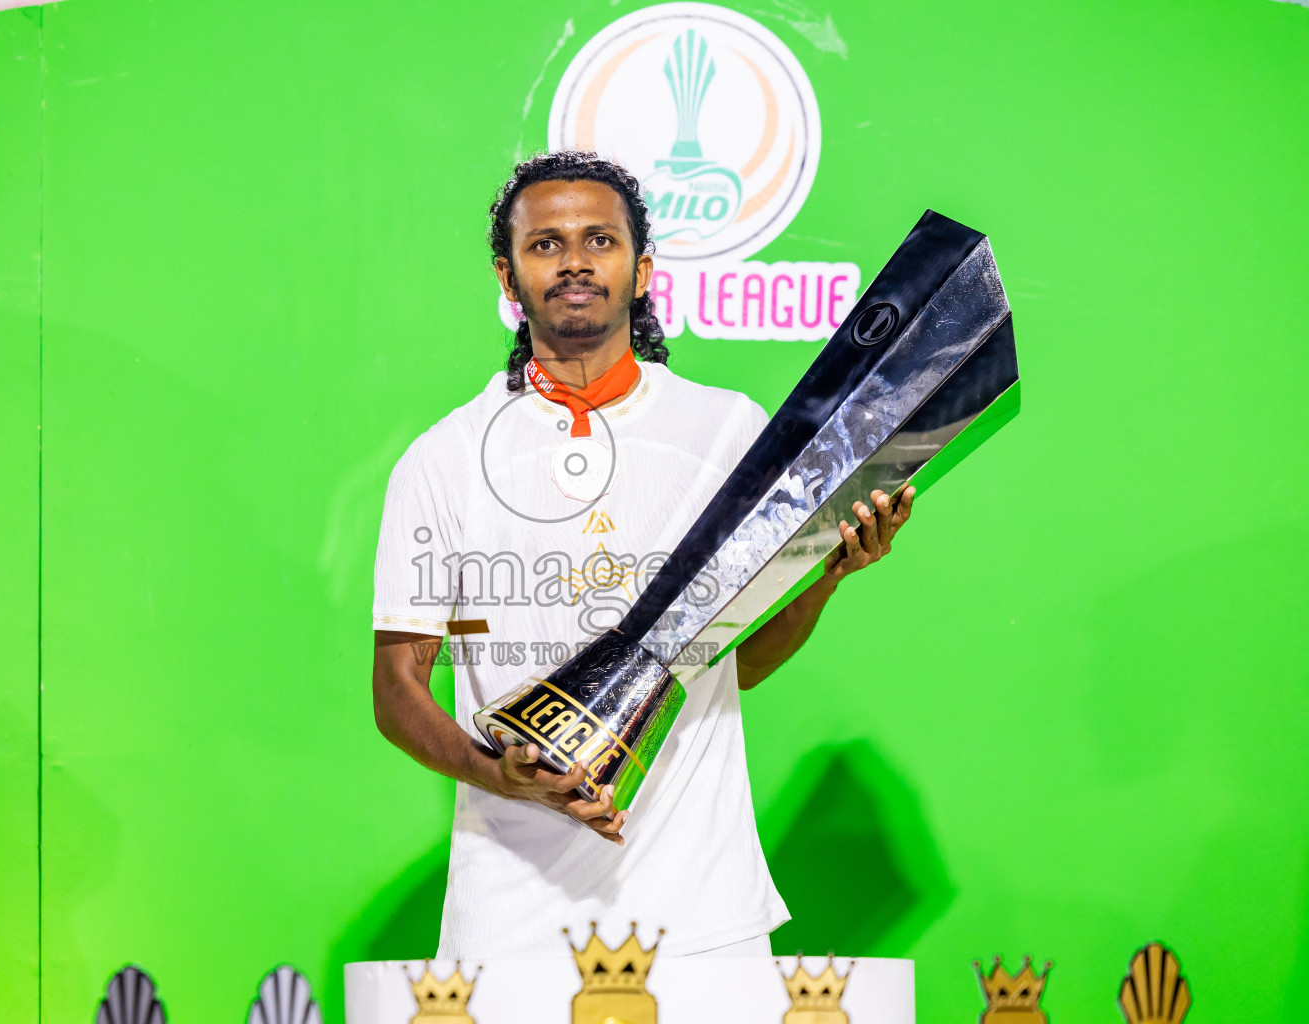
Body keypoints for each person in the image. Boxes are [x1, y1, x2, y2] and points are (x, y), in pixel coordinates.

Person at [370, 151, 914, 960]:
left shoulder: (730, 433)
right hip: (510, 918)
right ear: (508, 277)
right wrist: (498, 773)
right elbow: (396, 687)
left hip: (702, 912)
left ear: (644, 267)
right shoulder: (442, 460)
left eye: (600, 239)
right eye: (546, 245)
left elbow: (732, 662)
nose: (576, 261)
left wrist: (825, 576)